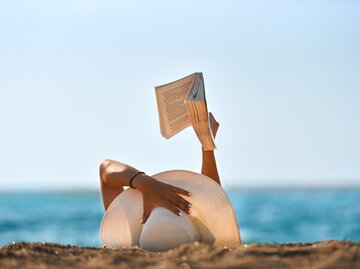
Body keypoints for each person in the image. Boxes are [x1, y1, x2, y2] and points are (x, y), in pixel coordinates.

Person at [99, 112, 220, 223]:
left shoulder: (128, 234)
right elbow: (214, 198)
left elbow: (106, 168)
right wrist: (207, 146)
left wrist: (146, 184)